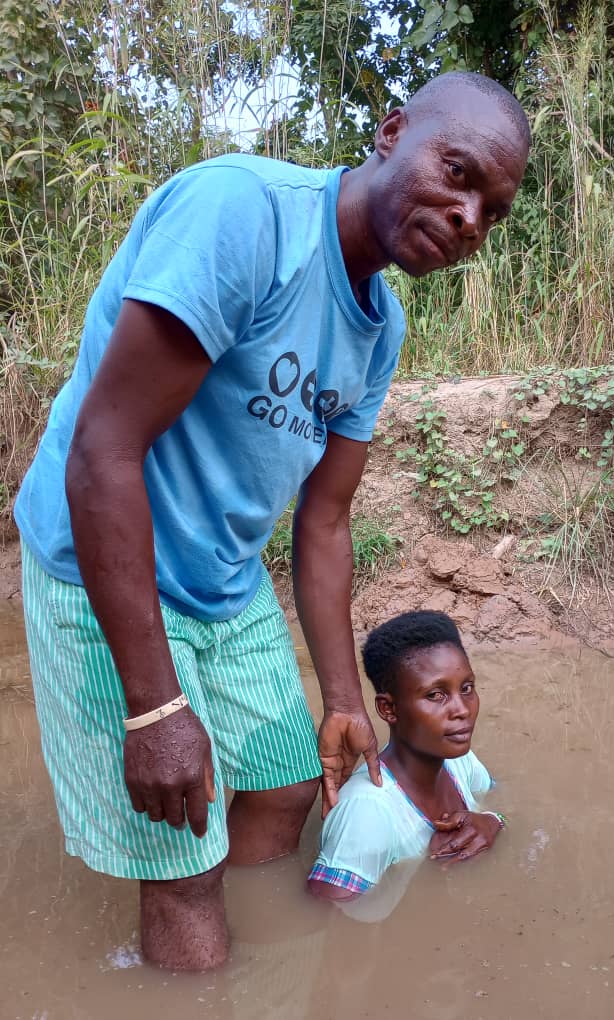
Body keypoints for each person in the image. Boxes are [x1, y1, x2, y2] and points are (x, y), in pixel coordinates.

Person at [14, 72, 530, 970]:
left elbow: (324, 524)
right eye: (458, 173)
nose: (469, 217)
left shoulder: (381, 327)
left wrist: (344, 702)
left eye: (493, 210)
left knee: (291, 786)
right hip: (102, 557)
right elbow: (104, 450)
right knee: (185, 855)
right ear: (391, 132)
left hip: (226, 576)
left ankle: (254, 959)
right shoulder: (245, 215)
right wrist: (155, 708)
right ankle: (193, 958)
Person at [308, 611, 505, 902]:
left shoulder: (458, 760)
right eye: (436, 695)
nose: (462, 710)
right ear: (388, 709)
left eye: (466, 689)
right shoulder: (366, 812)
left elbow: (502, 801)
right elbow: (326, 914)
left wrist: (492, 821)